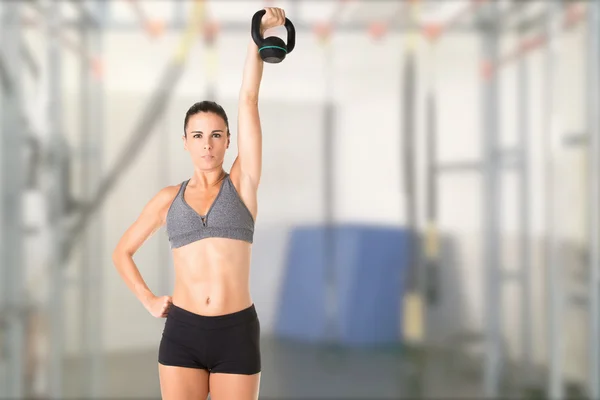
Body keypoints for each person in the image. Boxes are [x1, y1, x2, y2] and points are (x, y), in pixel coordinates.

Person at [111, 7, 288, 399]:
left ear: (228, 141)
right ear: (185, 141)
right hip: (183, 334)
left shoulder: (242, 184)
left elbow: (248, 99)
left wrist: (256, 36)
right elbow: (122, 252)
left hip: (236, 332)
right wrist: (148, 299)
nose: (206, 144)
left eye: (216, 135)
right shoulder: (166, 199)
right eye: (197, 135)